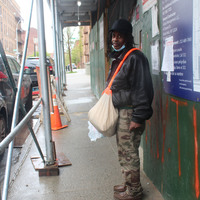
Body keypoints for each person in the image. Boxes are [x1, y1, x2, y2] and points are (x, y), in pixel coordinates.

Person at [106, 19, 154, 200]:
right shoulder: (121, 57)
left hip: (130, 113)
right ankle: (128, 184)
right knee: (124, 151)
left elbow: (143, 88)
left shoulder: (135, 57)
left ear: (127, 37)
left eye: (119, 36)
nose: (115, 39)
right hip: (122, 111)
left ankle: (134, 191)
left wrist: (138, 116)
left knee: (129, 153)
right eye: (113, 36)